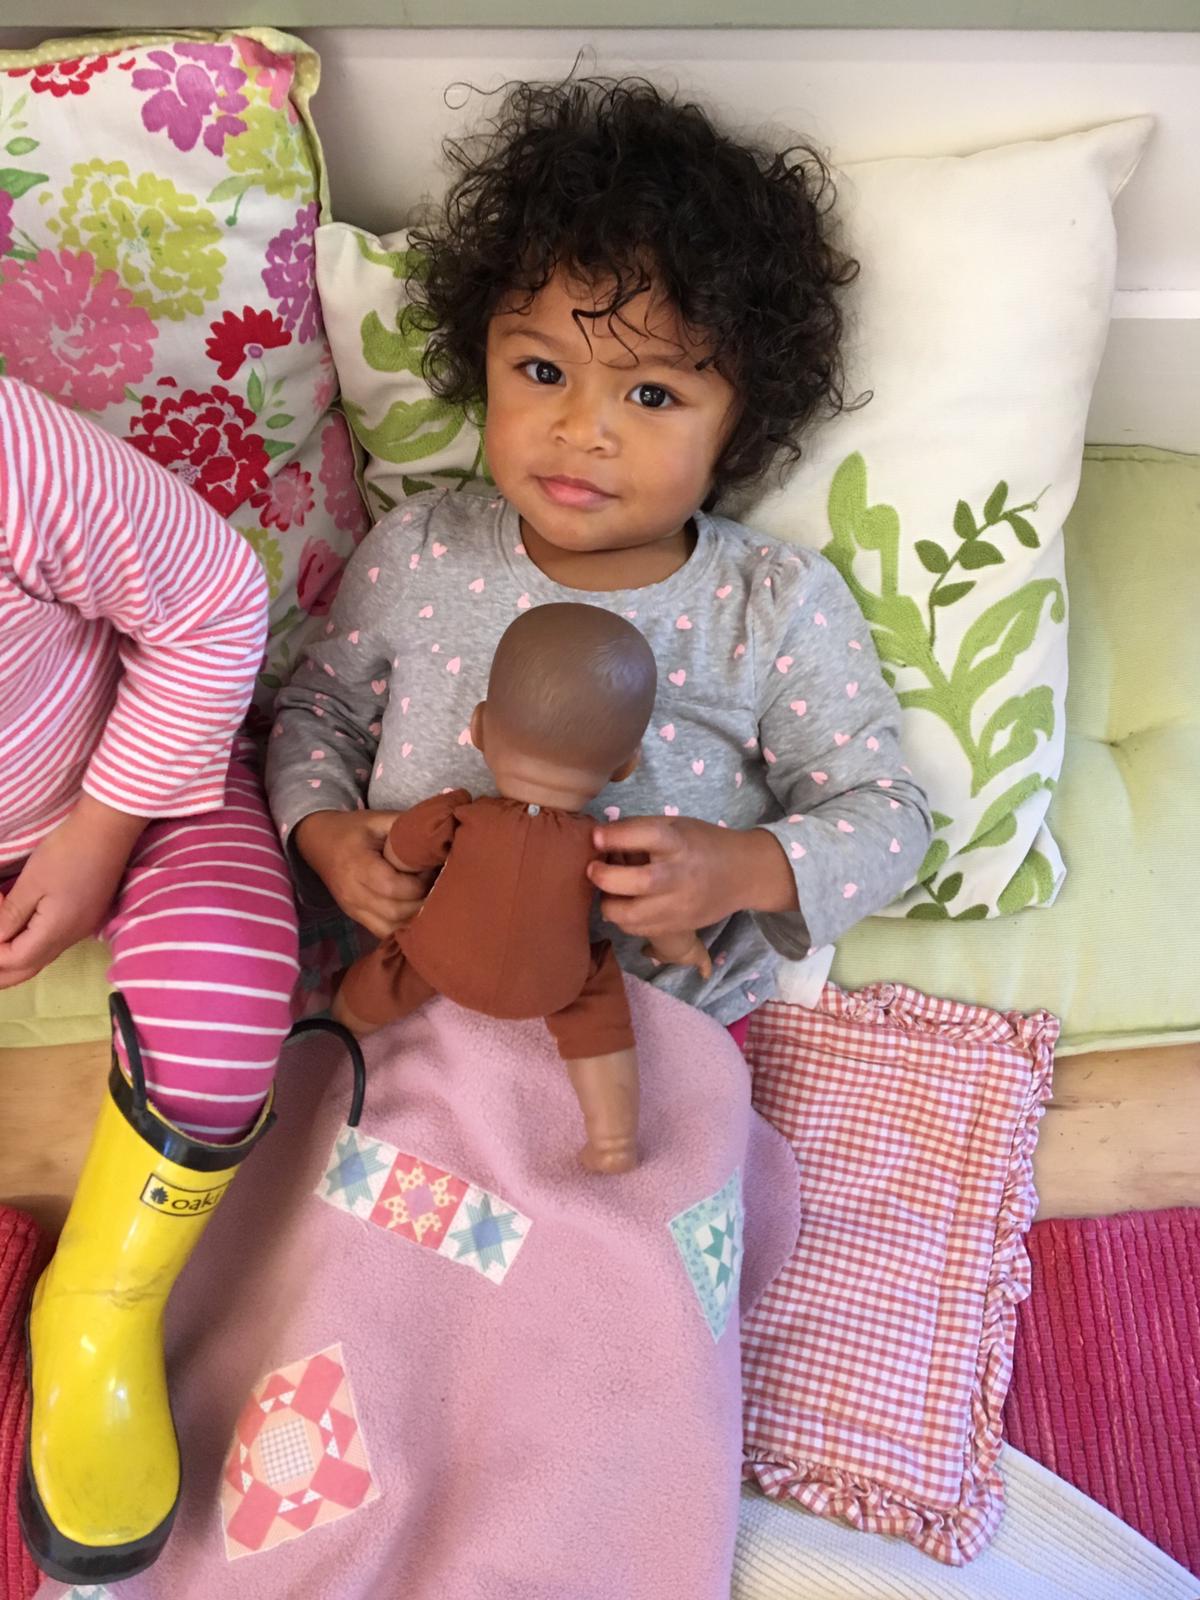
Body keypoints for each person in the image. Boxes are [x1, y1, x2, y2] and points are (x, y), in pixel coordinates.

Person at [267, 75, 932, 1062]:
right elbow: (315, 714)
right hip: (408, 1007)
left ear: (743, 421)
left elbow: (890, 819)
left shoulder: (770, 604)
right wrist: (325, 833)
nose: (584, 431)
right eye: (542, 373)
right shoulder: (418, 551)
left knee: (636, 1208)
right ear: (480, 356)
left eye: (654, 394)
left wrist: (744, 867)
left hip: (655, 1034)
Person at [0, 377, 300, 1583]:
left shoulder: (14, 458)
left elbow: (216, 603)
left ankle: (100, 1309)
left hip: (140, 794)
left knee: (228, 984)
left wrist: (97, 837)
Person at [333, 602, 708, 1172]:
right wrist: (680, 946)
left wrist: (397, 855)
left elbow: (405, 848)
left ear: (479, 728)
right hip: (550, 983)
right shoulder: (610, 846)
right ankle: (612, 1138)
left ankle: (337, 1033)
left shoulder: (457, 815)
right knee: (596, 1001)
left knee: (394, 963)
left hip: (441, 960)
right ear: (626, 766)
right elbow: (650, 906)